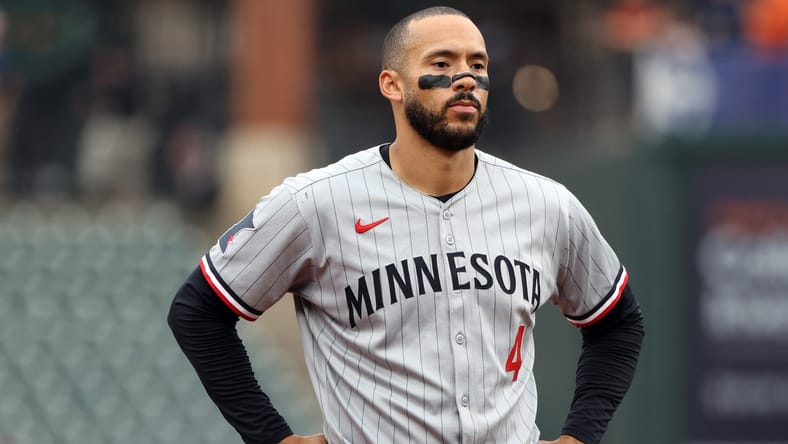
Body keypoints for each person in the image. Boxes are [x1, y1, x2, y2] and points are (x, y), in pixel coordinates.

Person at [168, 6, 644, 444]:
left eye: (478, 65)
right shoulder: (315, 203)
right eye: (441, 64)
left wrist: (580, 435)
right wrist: (273, 437)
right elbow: (198, 312)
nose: (464, 79)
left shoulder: (546, 204)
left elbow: (618, 322)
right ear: (392, 84)